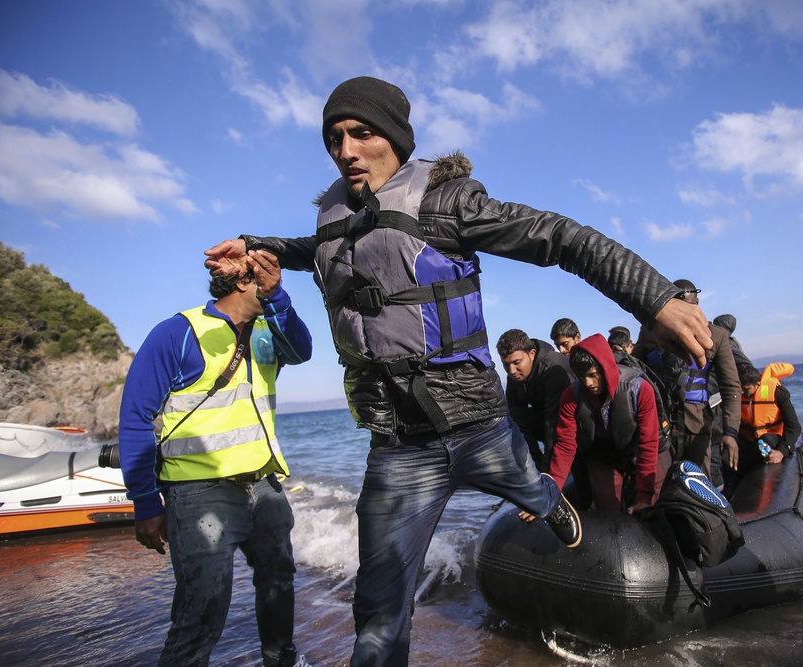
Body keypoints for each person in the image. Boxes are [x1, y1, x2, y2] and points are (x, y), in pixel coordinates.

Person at [204, 76, 713, 667]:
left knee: (534, 487)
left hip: (479, 427)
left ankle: (552, 503)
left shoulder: (447, 202)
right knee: (376, 613)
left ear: (393, 138)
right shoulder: (334, 216)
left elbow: (560, 236)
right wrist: (253, 244)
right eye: (334, 138)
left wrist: (653, 297)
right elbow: (308, 248)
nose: (345, 150)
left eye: (361, 134)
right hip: (399, 449)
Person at [118, 251, 313, 667]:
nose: (275, 281)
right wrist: (146, 502)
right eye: (265, 273)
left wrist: (277, 295)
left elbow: (302, 351)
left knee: (279, 583)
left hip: (264, 485)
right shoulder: (178, 332)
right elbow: (135, 418)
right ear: (243, 280)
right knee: (203, 606)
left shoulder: (269, 327)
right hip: (198, 493)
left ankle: (283, 662)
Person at [633, 279, 741, 488]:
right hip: (658, 423)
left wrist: (731, 431)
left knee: (701, 486)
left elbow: (731, 386)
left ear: (697, 304)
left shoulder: (716, 336)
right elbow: (635, 372)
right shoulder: (649, 332)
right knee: (659, 486)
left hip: (697, 425)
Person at [548, 334, 663, 512]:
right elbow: (565, 445)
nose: (589, 383)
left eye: (593, 375)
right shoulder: (571, 396)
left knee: (654, 504)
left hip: (637, 448)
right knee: (607, 511)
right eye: (582, 376)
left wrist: (644, 497)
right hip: (602, 453)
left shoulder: (639, 389)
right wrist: (550, 494)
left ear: (605, 368)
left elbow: (648, 442)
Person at [496, 328, 575, 470]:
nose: (512, 370)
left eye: (516, 362)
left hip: (574, 426)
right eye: (506, 364)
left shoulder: (553, 370)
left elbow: (554, 423)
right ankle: (533, 469)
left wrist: (549, 470)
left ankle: (545, 471)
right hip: (547, 420)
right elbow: (514, 416)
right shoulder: (515, 375)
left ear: (532, 354)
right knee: (512, 418)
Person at [724, 362, 801, 496]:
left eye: (746, 389)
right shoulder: (737, 394)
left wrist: (782, 451)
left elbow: (794, 427)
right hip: (746, 439)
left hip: (770, 438)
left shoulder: (777, 393)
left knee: (764, 441)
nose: (742, 392)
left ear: (758, 385)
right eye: (740, 389)